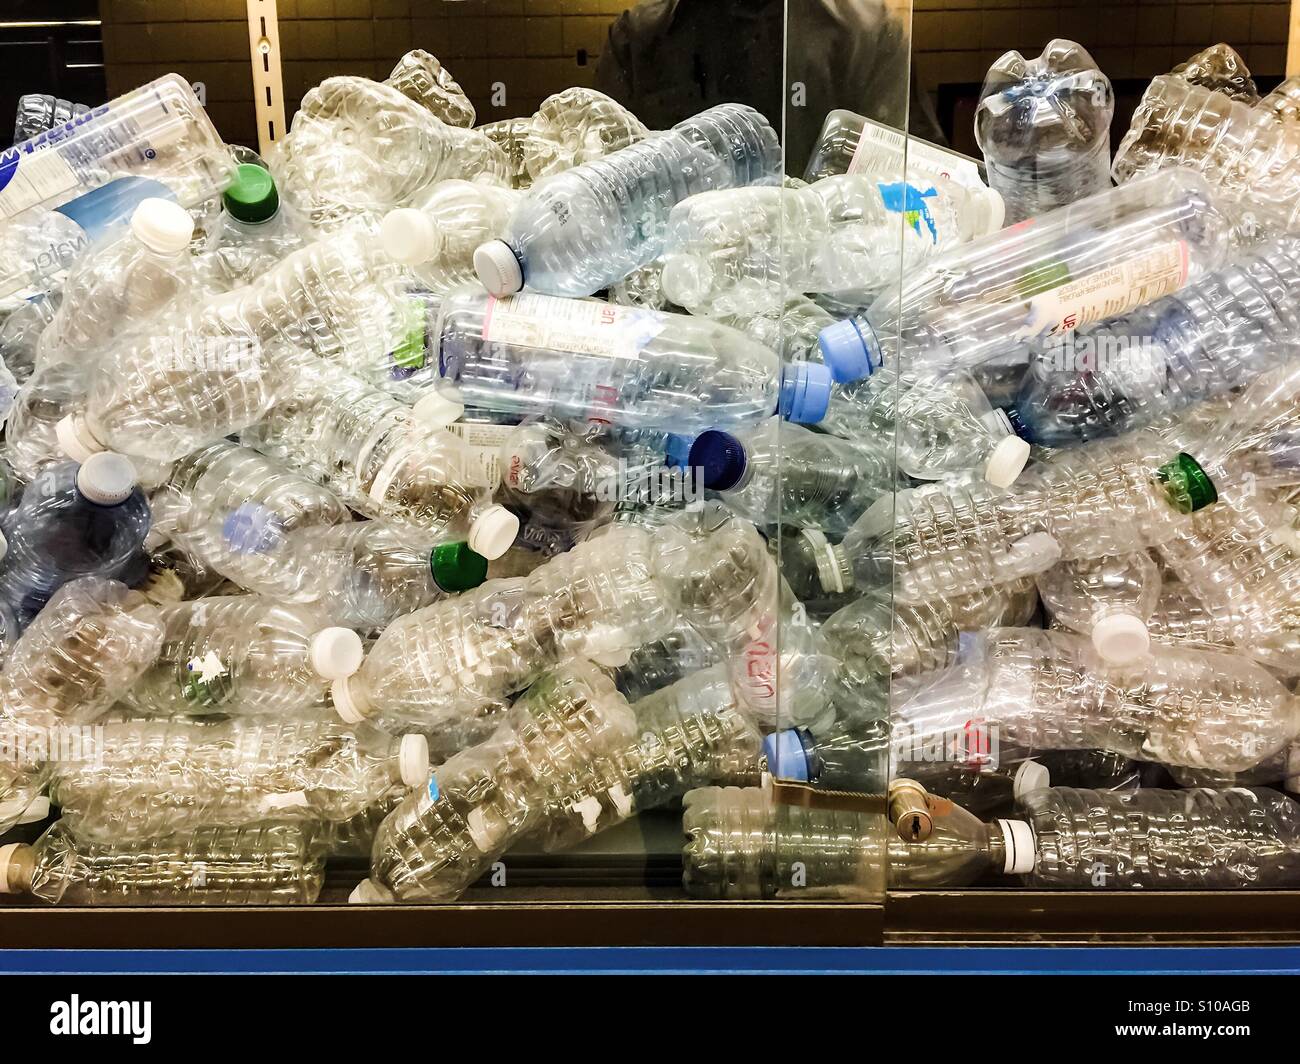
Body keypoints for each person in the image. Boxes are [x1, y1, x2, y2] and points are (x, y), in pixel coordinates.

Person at [596, 0, 945, 175]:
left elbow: (924, 177)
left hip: (823, 289)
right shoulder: (640, 38)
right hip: (675, 289)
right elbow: (598, 181)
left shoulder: (864, 33)